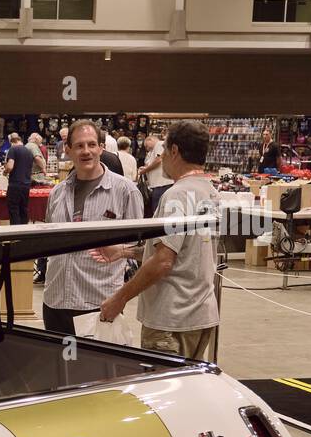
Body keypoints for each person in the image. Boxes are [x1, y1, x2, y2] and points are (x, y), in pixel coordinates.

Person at [94, 119, 219, 360]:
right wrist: (124, 252)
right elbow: (186, 251)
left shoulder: (177, 195)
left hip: (171, 319)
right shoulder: (210, 192)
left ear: (174, 151)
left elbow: (164, 261)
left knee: (165, 393)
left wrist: (119, 299)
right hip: (200, 314)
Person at [40, 120, 144, 336]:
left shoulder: (126, 192)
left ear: (101, 148)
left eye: (91, 145)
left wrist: (123, 254)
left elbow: (144, 250)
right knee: (58, 368)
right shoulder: (57, 194)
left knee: (95, 369)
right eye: (79, 146)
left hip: (99, 304)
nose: (86, 151)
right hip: (55, 303)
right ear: (67, 150)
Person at [3, 132, 35, 226]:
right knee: (23, 209)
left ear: (12, 141)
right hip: (26, 185)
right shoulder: (29, 151)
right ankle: (24, 233)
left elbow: (10, 166)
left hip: (15, 184)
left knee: (14, 210)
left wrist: (5, 172)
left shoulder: (13, 149)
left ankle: (15, 234)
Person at [138, 133, 172, 213]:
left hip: (162, 184)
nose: (146, 148)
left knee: (158, 210)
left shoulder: (159, 144)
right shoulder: (151, 152)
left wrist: (145, 170)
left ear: (151, 140)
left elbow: (158, 160)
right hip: (157, 185)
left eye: (146, 145)